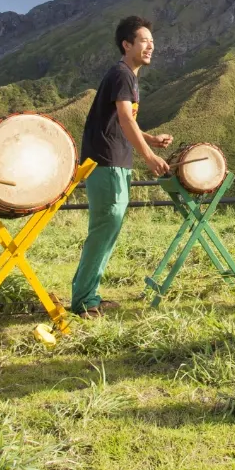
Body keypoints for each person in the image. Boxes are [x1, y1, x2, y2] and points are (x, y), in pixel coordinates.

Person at [69, 16, 173, 318]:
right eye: (144, 41)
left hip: (116, 161)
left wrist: (150, 140)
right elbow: (126, 120)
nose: (150, 46)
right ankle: (83, 301)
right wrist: (148, 157)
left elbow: (123, 121)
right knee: (104, 230)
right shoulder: (122, 74)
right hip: (106, 162)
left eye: (152, 41)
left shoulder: (128, 77)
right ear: (127, 45)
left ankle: (90, 294)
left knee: (108, 230)